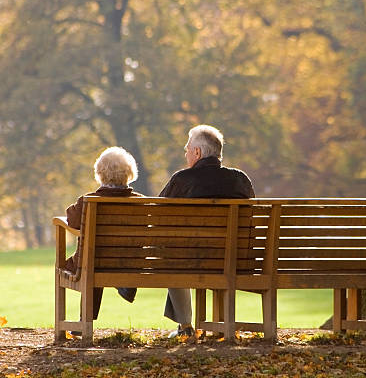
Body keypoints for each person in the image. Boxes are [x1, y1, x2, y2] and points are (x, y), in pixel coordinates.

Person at [159, 124, 255, 338]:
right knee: (178, 251)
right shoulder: (240, 179)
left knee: (171, 252)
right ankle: (206, 325)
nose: (185, 153)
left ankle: (185, 327)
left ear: (197, 152)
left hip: (189, 261)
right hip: (237, 259)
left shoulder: (182, 180)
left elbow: (156, 215)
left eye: (187, 149)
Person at [65, 146, 141, 320]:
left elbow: (73, 221)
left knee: (90, 258)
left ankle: (86, 320)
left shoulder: (88, 201)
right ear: (129, 172)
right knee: (96, 256)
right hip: (128, 264)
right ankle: (124, 283)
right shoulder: (140, 203)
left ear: (99, 173)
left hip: (93, 262)